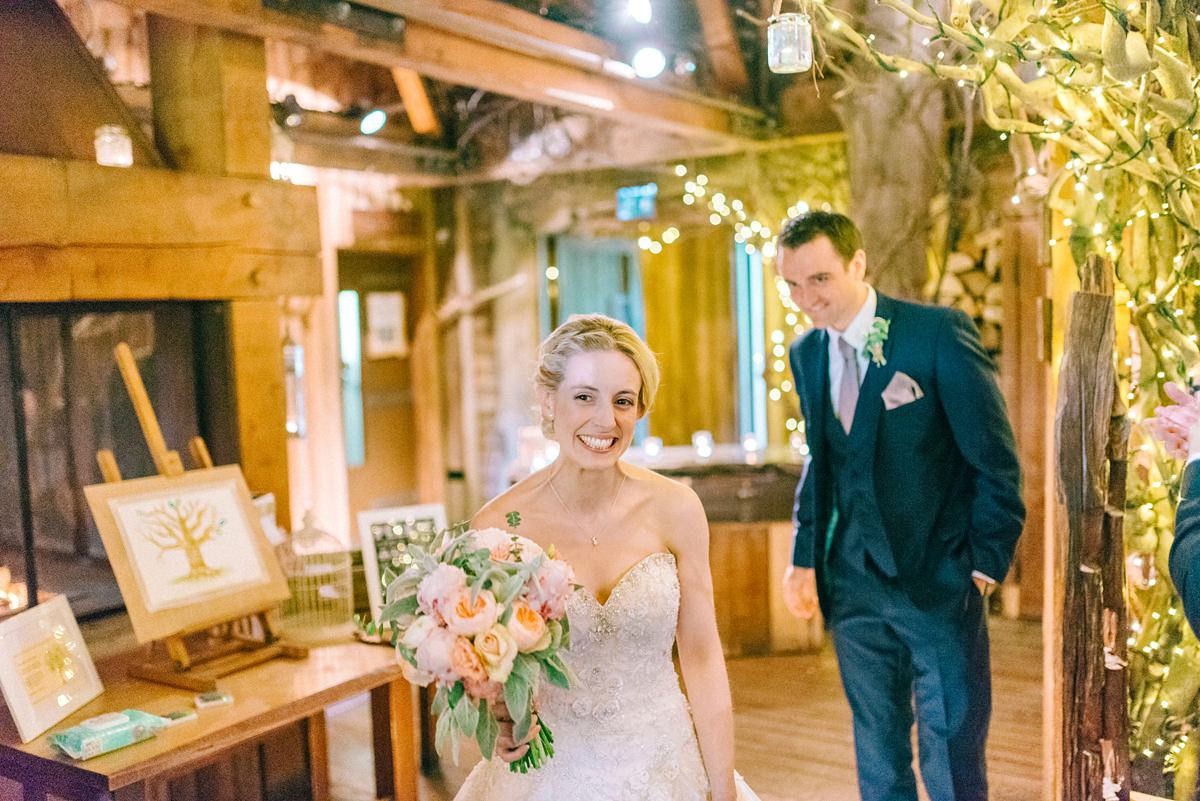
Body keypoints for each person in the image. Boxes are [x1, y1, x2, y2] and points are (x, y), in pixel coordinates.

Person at [776, 211, 1025, 801]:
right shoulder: (807, 354)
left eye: (819, 280)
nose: (805, 299)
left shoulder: (936, 334)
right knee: (877, 754)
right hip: (852, 587)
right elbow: (823, 462)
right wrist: (804, 558)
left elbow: (995, 461)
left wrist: (983, 567)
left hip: (938, 582)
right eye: (791, 284)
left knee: (951, 753)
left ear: (858, 265)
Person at [453, 313, 742, 801]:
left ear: (640, 408)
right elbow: (484, 669)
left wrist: (722, 784)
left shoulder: (677, 509)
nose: (605, 421)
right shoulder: (496, 527)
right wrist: (500, 720)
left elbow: (702, 654)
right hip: (547, 776)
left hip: (666, 769)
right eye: (584, 396)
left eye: (622, 401)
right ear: (548, 400)